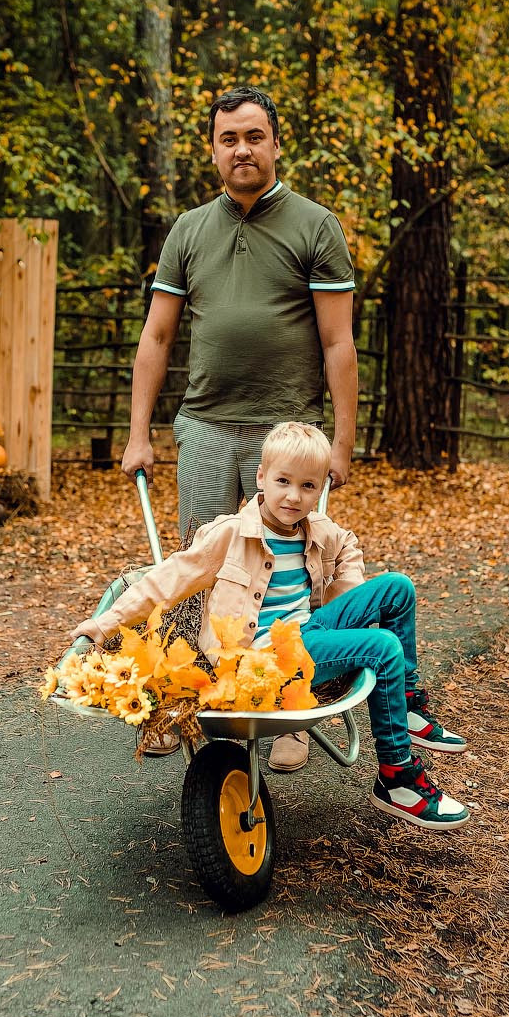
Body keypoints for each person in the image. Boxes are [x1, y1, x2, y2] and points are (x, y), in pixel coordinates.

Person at [120, 84, 359, 770]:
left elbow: (338, 342)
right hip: (205, 426)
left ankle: (286, 712)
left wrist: (340, 443)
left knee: (284, 572)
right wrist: (140, 434)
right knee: (198, 570)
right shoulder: (190, 230)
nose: (243, 149)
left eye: (254, 136)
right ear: (214, 150)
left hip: (285, 432)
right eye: (230, 139)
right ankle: (178, 704)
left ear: (277, 143)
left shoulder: (315, 226)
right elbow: (157, 337)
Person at [72, 423, 469, 832]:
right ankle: (397, 779)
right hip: (261, 661)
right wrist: (102, 627)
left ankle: (409, 704)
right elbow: (165, 580)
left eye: (308, 486)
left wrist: (345, 598)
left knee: (397, 588)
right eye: (283, 481)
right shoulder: (229, 535)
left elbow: (348, 546)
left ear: (319, 491)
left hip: (307, 637)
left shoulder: (315, 530)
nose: (294, 497)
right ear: (261, 478)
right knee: (383, 646)